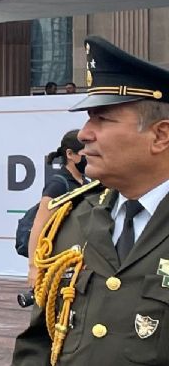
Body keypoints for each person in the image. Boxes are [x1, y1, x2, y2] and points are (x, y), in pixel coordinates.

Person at [13, 36, 169, 365]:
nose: (84, 133)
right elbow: (41, 341)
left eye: (102, 118)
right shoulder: (71, 218)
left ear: (160, 135)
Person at [24, 130, 88, 287]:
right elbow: (39, 225)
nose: (90, 158)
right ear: (70, 154)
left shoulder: (87, 184)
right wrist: (33, 267)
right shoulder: (58, 184)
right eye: (85, 154)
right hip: (58, 261)